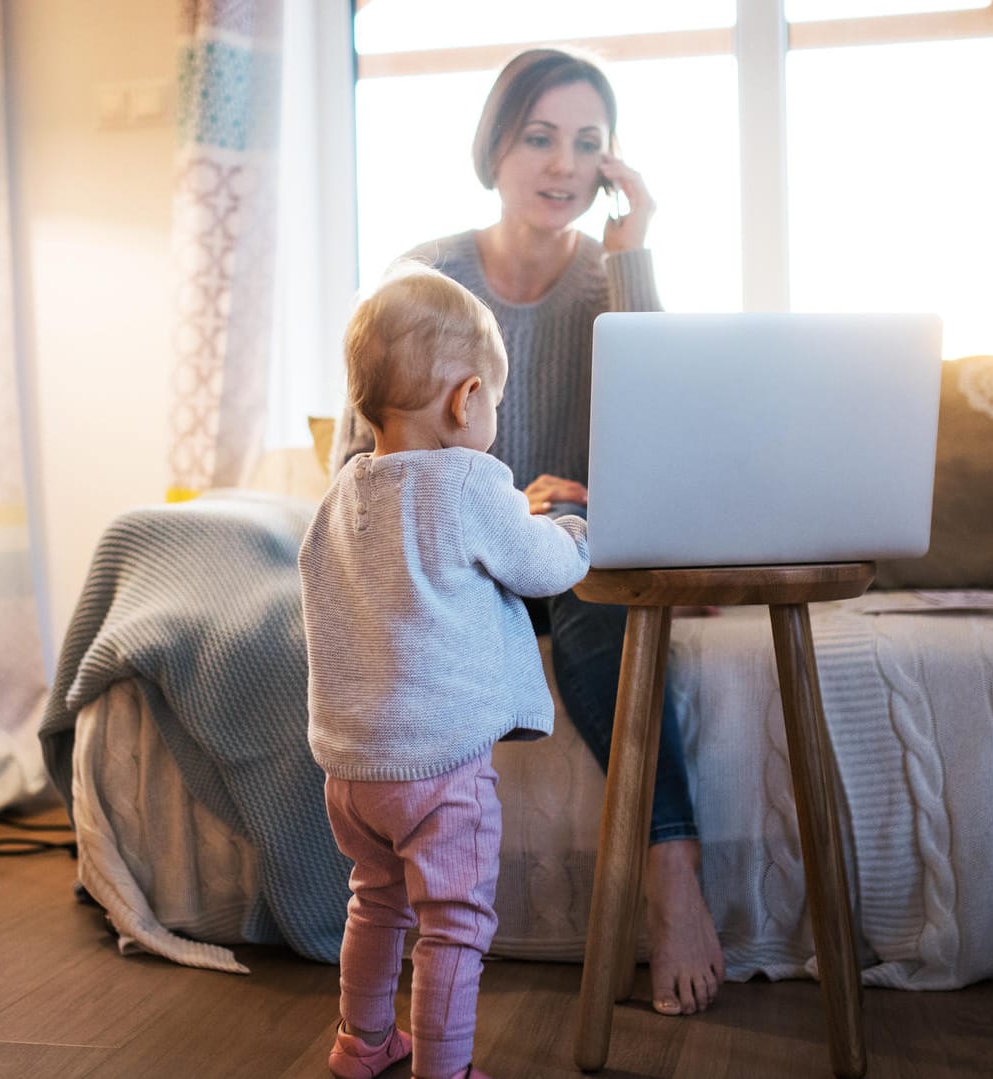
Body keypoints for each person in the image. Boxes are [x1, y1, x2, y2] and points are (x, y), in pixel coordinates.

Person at [330, 47, 727, 1017]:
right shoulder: (424, 275)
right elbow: (357, 469)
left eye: (587, 143)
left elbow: (670, 445)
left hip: (571, 559)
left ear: (612, 164)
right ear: (496, 148)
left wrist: (635, 254)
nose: (563, 165)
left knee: (596, 606)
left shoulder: (609, 276)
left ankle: (672, 872)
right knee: (565, 575)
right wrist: (498, 500)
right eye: (539, 137)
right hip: (450, 558)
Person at [303, 265, 590, 1079]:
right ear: (466, 399)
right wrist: (572, 529)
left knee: (377, 900)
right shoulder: (470, 481)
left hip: (353, 769)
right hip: (439, 768)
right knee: (454, 923)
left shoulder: (340, 497)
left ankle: (361, 1043)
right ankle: (447, 1069)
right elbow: (540, 568)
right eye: (493, 400)